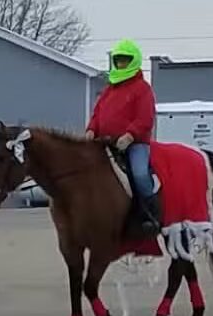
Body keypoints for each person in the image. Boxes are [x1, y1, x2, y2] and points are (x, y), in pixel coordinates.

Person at [85, 39, 160, 235]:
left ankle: (150, 215)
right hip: (105, 142)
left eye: (125, 60)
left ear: (133, 61)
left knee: (140, 174)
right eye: (118, 61)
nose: (121, 64)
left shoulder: (143, 88)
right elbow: (97, 113)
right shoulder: (110, 89)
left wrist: (129, 136)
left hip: (134, 144)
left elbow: (145, 118)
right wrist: (91, 129)